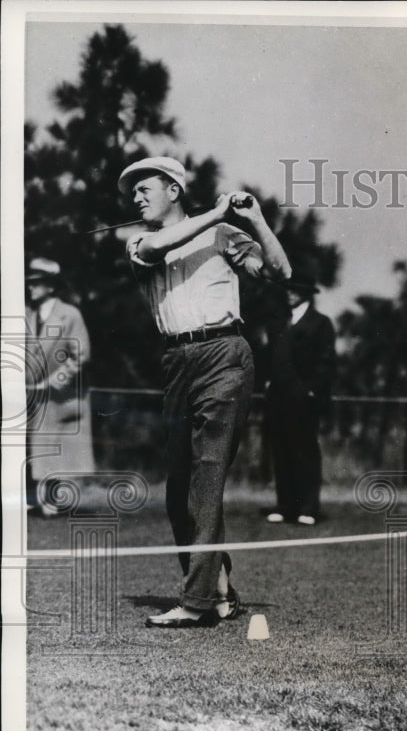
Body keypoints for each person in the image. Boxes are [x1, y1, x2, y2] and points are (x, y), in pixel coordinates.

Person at [118, 156, 292, 628]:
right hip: (175, 362)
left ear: (173, 190)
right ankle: (218, 591)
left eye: (144, 188)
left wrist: (253, 219)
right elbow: (158, 248)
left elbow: (281, 273)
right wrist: (218, 212)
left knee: (207, 477)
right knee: (179, 492)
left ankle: (196, 603)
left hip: (224, 354)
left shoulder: (222, 235)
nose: (136, 197)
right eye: (132, 192)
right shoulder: (141, 242)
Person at [24, 257, 96, 515]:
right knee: (39, 451)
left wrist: (52, 382)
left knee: (62, 453)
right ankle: (40, 500)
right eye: (29, 284)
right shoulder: (26, 314)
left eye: (37, 284)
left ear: (51, 287)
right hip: (33, 398)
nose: (31, 288)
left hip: (62, 397)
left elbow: (81, 356)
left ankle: (55, 502)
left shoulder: (69, 315)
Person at [264, 272, 336, 526]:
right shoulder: (281, 322)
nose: (289, 293)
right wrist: (269, 382)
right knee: (280, 452)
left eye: (295, 290)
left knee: (304, 452)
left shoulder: (320, 323)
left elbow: (326, 363)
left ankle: (308, 507)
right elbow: (271, 357)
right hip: (278, 398)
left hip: (304, 400)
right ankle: (285, 505)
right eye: (288, 289)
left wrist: (311, 390)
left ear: (305, 293)